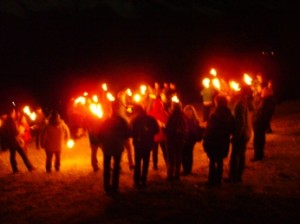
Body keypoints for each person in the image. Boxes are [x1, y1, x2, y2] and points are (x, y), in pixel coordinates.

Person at [98, 101, 131, 194]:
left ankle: (107, 187)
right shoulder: (122, 121)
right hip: (117, 146)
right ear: (118, 109)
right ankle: (115, 187)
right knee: (116, 167)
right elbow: (128, 133)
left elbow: (100, 134)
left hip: (107, 147)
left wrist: (104, 141)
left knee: (107, 167)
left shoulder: (106, 121)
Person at [203, 95, 234, 186]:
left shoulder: (215, 115)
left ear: (218, 103)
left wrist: (206, 139)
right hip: (224, 141)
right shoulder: (229, 114)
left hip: (214, 142)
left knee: (212, 161)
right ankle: (218, 180)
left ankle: (212, 180)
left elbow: (210, 130)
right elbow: (232, 128)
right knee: (220, 161)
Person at [227, 87, 252, 182]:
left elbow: (240, 123)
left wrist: (236, 136)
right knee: (241, 155)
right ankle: (238, 176)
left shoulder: (240, 105)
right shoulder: (245, 103)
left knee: (235, 156)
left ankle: (234, 177)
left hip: (241, 134)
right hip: (246, 133)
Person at [130, 105, 159, 188]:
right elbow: (156, 130)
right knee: (146, 162)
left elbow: (131, 132)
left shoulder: (135, 120)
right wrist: (149, 134)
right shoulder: (151, 119)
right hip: (148, 144)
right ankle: (143, 180)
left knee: (138, 162)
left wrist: (137, 136)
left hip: (138, 144)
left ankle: (137, 181)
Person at [1, 107, 35, 173]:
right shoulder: (11, 121)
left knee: (14, 155)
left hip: (11, 141)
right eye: (13, 112)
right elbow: (14, 132)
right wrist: (20, 132)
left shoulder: (7, 121)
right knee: (22, 154)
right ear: (11, 113)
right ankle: (29, 167)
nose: (14, 113)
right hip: (14, 141)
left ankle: (16, 169)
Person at [165, 102, 188, 181]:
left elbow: (168, 128)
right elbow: (185, 128)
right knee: (178, 157)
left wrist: (164, 128)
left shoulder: (172, 117)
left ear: (173, 108)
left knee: (171, 157)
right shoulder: (183, 116)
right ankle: (177, 174)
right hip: (180, 140)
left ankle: (170, 174)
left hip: (172, 140)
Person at [148, 96, 169, 170]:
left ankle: (155, 165)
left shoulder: (150, 113)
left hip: (154, 136)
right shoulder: (165, 113)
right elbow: (168, 123)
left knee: (155, 151)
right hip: (163, 136)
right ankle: (168, 163)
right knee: (165, 151)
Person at [182, 104, 203, 175]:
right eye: (186, 111)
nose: (188, 113)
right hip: (184, 139)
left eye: (189, 111)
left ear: (192, 112)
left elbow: (195, 130)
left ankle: (188, 169)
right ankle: (186, 169)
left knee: (188, 153)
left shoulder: (194, 120)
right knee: (184, 154)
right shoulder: (183, 119)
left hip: (191, 139)